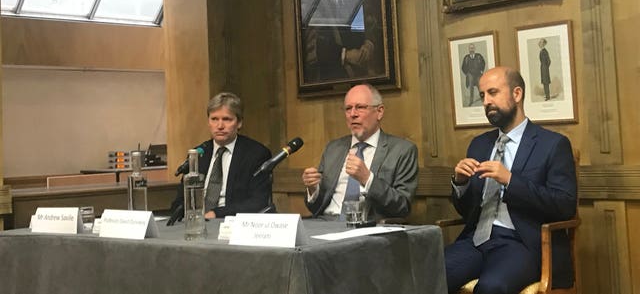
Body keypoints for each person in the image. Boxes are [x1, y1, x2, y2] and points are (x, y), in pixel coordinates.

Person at [444, 67, 577, 294]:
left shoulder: (552, 145)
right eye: (482, 95)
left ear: (517, 94)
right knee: (426, 274)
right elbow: (467, 213)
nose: (486, 101)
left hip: (522, 243)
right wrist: (461, 183)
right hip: (476, 240)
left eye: (493, 92)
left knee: (491, 287)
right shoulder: (479, 145)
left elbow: (564, 206)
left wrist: (511, 181)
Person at [301, 83, 418, 221]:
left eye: (360, 107)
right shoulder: (333, 149)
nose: (353, 114)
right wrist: (313, 189)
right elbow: (316, 207)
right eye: (348, 108)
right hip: (326, 223)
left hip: (368, 227)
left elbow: (402, 206)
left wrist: (367, 179)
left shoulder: (402, 150)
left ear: (379, 112)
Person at [169, 92, 272, 219]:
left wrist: (216, 213)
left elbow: (257, 202)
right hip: (195, 223)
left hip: (230, 222)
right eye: (214, 119)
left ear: (239, 123)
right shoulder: (199, 153)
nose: (220, 126)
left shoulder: (256, 154)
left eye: (227, 119)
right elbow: (180, 200)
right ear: (208, 122)